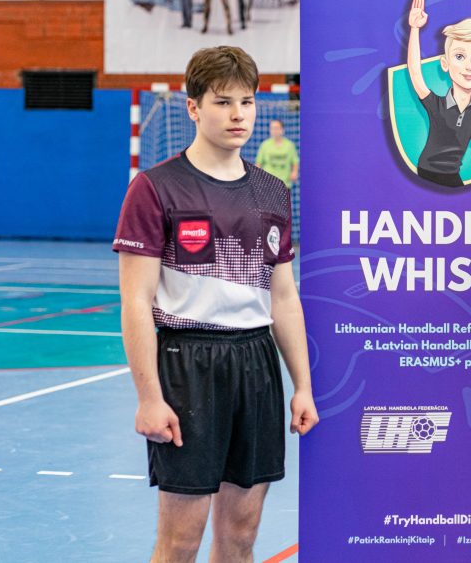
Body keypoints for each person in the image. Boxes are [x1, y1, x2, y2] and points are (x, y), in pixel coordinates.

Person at [113, 46, 318, 561]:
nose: (237, 115)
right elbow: (135, 302)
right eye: (223, 102)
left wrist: (302, 386)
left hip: (256, 365)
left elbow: (284, 297)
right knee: (180, 540)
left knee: (241, 536)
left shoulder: (272, 191)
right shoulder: (155, 188)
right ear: (193, 107)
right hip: (188, 365)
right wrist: (148, 397)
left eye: (246, 102)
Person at [406, 0, 471, 188]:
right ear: (445, 63)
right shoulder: (436, 104)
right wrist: (414, 29)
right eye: (460, 56)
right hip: (425, 174)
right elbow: (415, 72)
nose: (469, 67)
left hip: (453, 179)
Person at [255, 118, 299, 189]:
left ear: (282, 129)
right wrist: (257, 176)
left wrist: (294, 172)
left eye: (276, 128)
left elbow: (295, 161)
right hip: (268, 184)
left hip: (285, 184)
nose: (274, 130)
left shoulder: (289, 145)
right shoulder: (264, 145)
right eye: (272, 128)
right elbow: (258, 163)